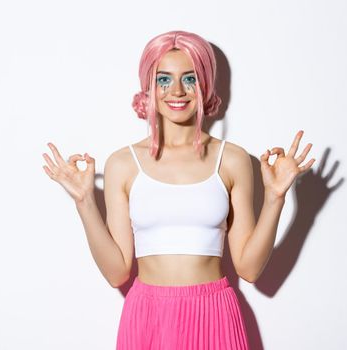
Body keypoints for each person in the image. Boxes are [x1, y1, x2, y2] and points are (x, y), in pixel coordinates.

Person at [42, 30, 315, 350]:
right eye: (163, 79)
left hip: (215, 314)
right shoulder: (123, 164)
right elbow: (117, 273)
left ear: (205, 85)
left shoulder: (233, 160)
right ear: (148, 87)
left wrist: (275, 198)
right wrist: (85, 201)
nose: (177, 91)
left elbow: (250, 269)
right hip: (147, 315)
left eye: (190, 79)